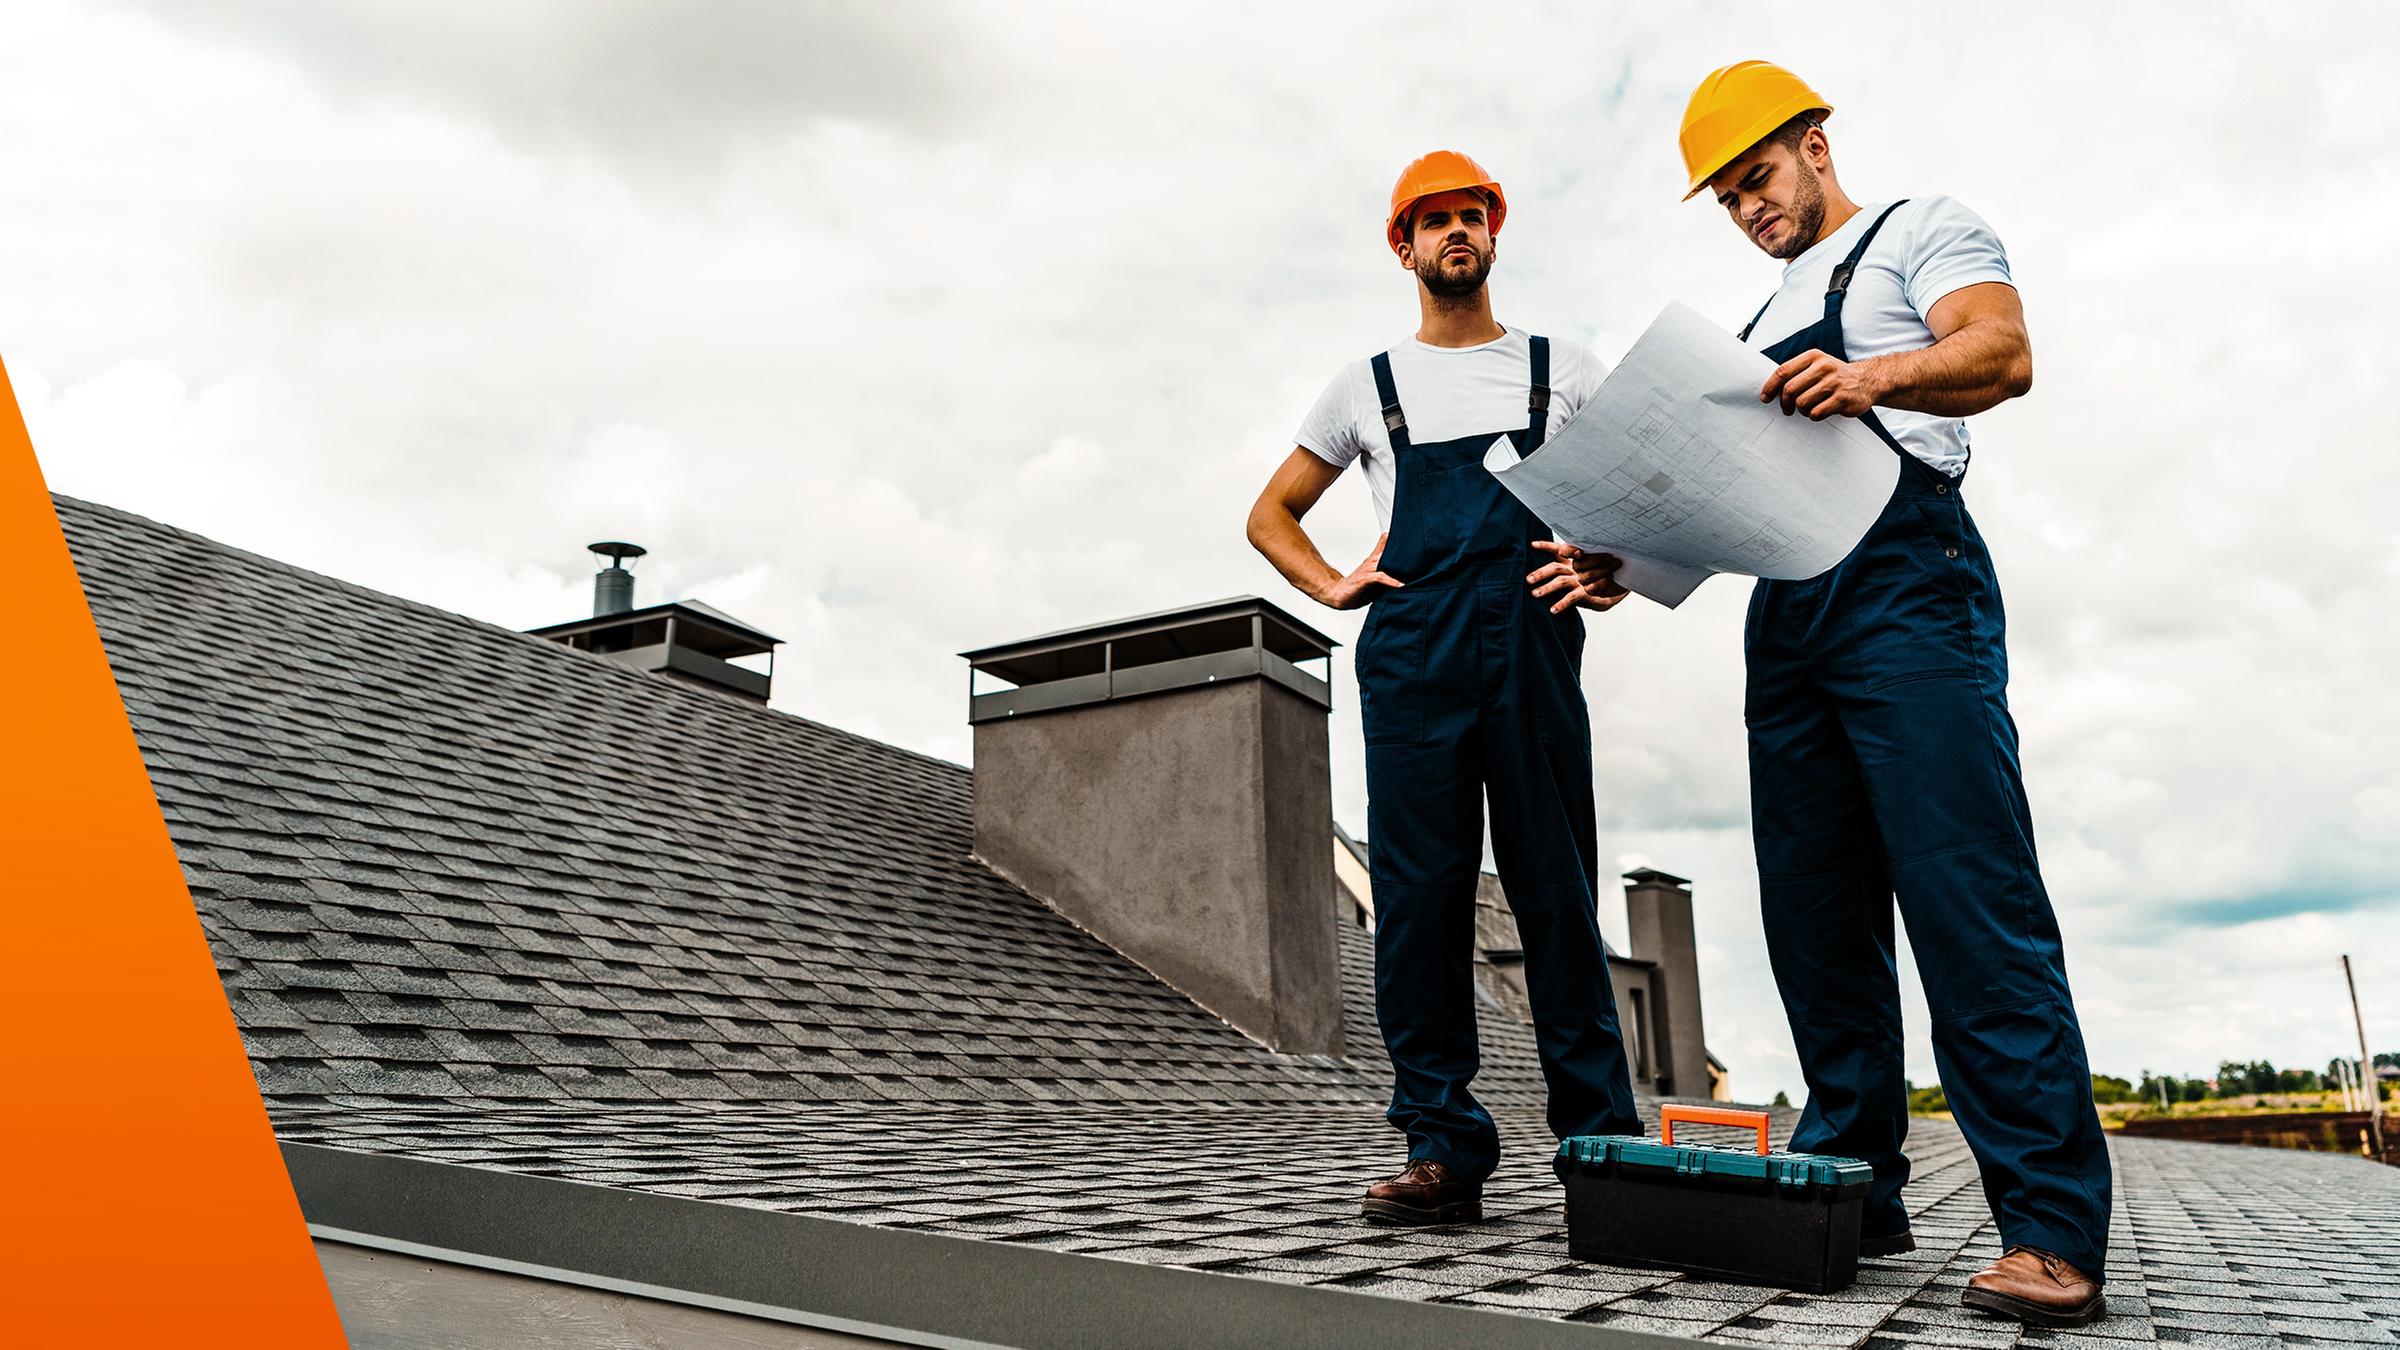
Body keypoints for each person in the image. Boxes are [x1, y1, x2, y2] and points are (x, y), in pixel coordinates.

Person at [1591, 60, 2113, 1324]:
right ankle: (1859, 1188)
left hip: (1906, 584)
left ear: (1816, 144)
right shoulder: (1755, 329)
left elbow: (2003, 350)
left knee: (1965, 895)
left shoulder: (1921, 231)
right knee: (1817, 920)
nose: (1749, 211)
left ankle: (2048, 1226)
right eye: (1725, 199)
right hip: (1790, 613)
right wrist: (1625, 559)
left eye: (1757, 179)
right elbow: (1729, 500)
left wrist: (1873, 376)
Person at [1245, 150, 1642, 1226]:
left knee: (1557, 891)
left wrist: (1612, 568)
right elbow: (1269, 514)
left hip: (1531, 644)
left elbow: (1647, 500)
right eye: (1436, 221)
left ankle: (1601, 1141)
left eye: (1472, 216)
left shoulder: (1565, 370)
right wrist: (1330, 581)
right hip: (1414, 653)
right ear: (1405, 246)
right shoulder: (1365, 388)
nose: (1456, 233)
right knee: (1418, 900)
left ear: (1493, 236)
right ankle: (1441, 1145)